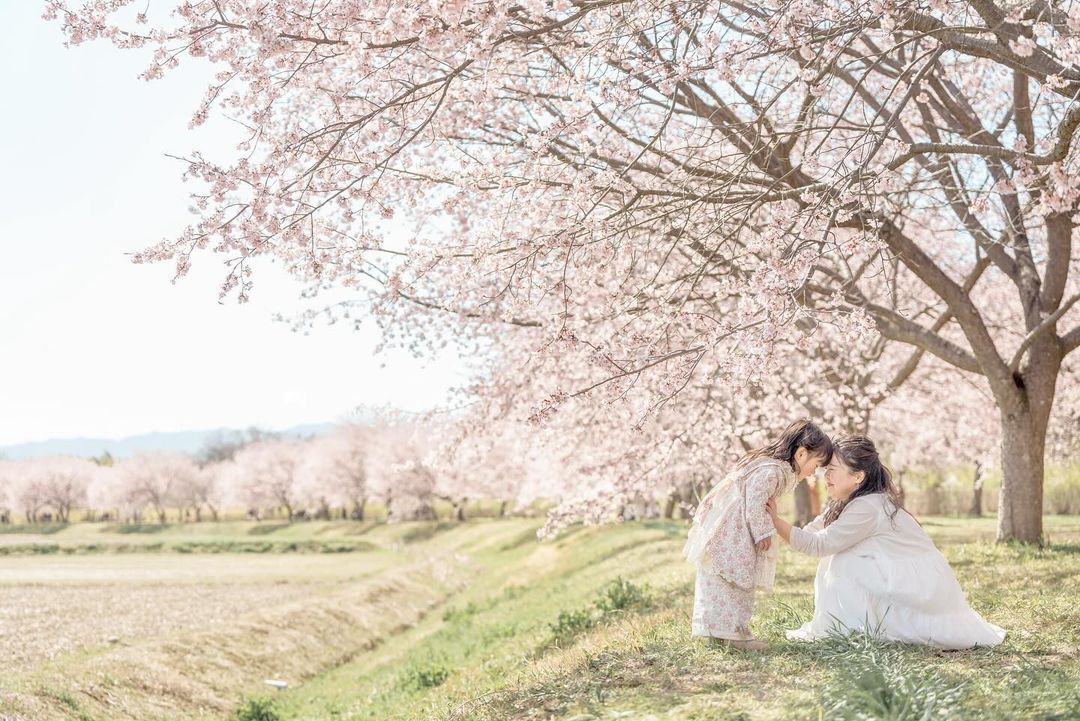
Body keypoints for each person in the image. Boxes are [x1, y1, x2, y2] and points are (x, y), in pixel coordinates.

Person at [767, 435, 1005, 649]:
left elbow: (818, 545)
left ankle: (856, 627)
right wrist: (770, 525)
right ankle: (853, 625)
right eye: (825, 469)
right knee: (842, 556)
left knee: (843, 559)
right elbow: (809, 534)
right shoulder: (847, 502)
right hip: (905, 576)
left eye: (832, 469)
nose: (825, 475)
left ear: (858, 476)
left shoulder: (867, 506)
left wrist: (775, 520)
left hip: (920, 585)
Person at [683, 419, 833, 651]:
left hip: (727, 528)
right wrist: (763, 532)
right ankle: (734, 635)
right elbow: (754, 502)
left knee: (723, 579)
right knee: (736, 580)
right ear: (801, 454)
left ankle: (719, 630)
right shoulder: (773, 471)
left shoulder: (771, 467)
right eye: (816, 464)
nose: (815, 472)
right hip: (734, 530)